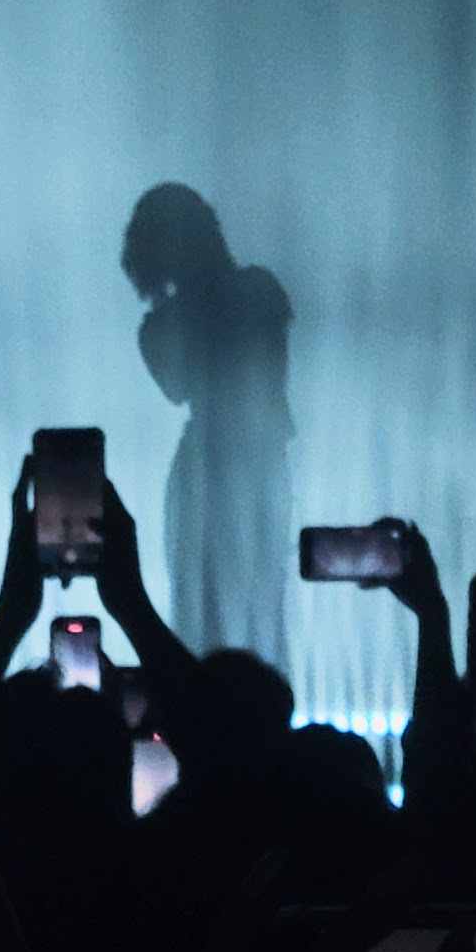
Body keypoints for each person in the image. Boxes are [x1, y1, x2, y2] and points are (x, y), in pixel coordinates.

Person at [121, 182, 294, 665]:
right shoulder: (257, 290)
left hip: (215, 466)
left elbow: (179, 385)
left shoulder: (166, 324)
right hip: (248, 463)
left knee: (208, 606)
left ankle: (203, 699)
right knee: (252, 604)